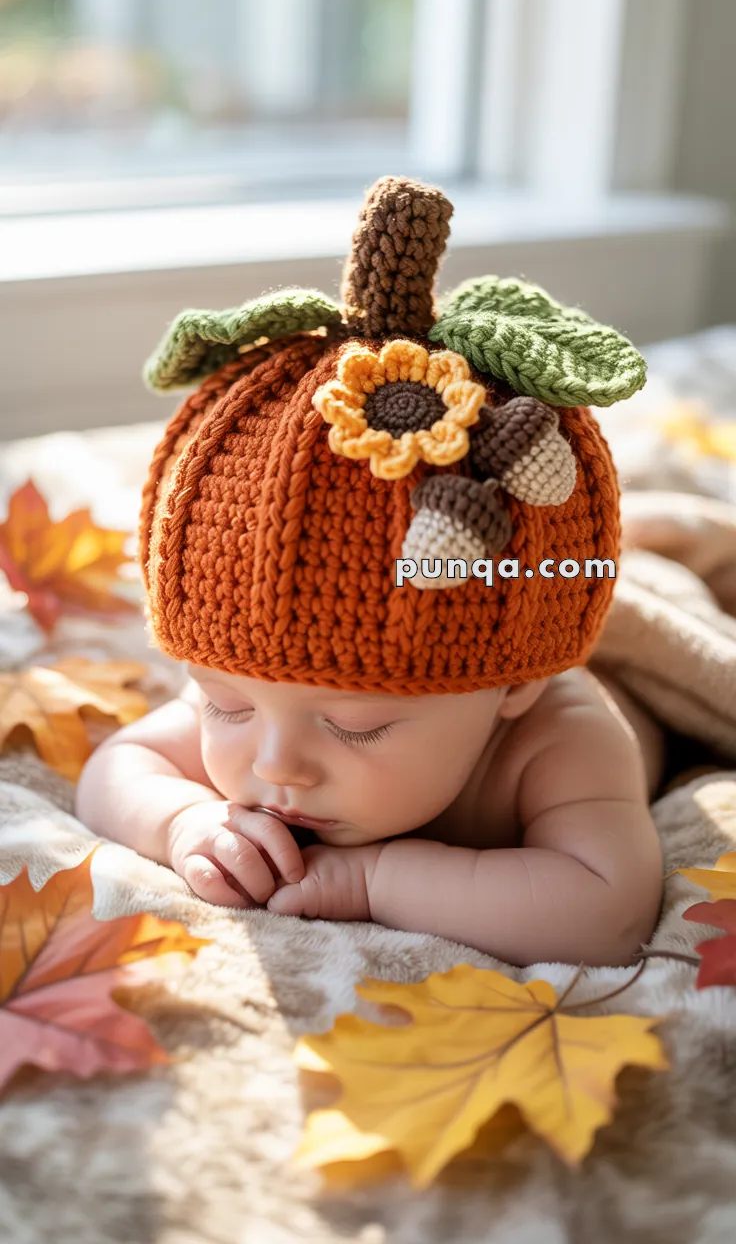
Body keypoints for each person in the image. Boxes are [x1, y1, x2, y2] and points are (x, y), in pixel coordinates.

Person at [75, 176, 665, 968]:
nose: (274, 764)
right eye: (222, 703)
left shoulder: (557, 740)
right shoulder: (269, 691)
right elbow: (118, 767)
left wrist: (376, 877)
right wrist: (182, 822)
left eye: (358, 724)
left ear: (511, 687)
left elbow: (606, 910)